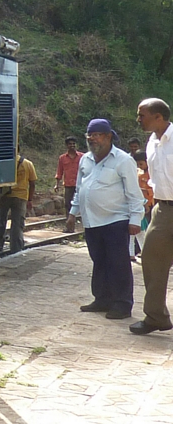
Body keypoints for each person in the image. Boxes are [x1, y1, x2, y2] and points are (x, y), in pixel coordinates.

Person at [71, 119, 144, 321]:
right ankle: (102, 299)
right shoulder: (85, 159)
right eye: (89, 135)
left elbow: (134, 194)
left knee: (118, 263)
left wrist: (135, 219)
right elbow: (79, 189)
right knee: (99, 261)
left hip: (115, 220)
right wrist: (72, 212)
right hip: (91, 221)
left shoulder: (123, 160)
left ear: (108, 136)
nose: (92, 139)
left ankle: (122, 304)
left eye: (97, 135)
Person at [132, 99, 173, 334]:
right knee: (152, 260)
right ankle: (156, 317)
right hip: (162, 209)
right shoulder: (151, 143)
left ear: (159, 117)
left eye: (142, 115)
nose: (139, 119)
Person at [0, 146, 36, 253]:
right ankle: (16, 247)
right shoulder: (28, 164)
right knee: (17, 223)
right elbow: (32, 183)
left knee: (1, 220)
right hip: (21, 197)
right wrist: (30, 199)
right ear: (18, 150)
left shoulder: (3, 163)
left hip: (4, 196)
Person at [55, 136, 84, 233]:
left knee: (84, 204)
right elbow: (59, 171)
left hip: (81, 184)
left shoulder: (82, 157)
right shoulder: (62, 158)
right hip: (68, 184)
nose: (72, 146)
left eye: (73, 144)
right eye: (70, 144)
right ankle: (69, 226)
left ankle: (87, 226)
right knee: (68, 205)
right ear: (67, 146)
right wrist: (57, 184)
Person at [133, 151, 153, 261]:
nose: (139, 166)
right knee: (141, 228)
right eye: (138, 164)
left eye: (141, 164)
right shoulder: (139, 174)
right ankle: (140, 250)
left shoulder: (152, 174)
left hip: (152, 204)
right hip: (141, 205)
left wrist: (146, 191)